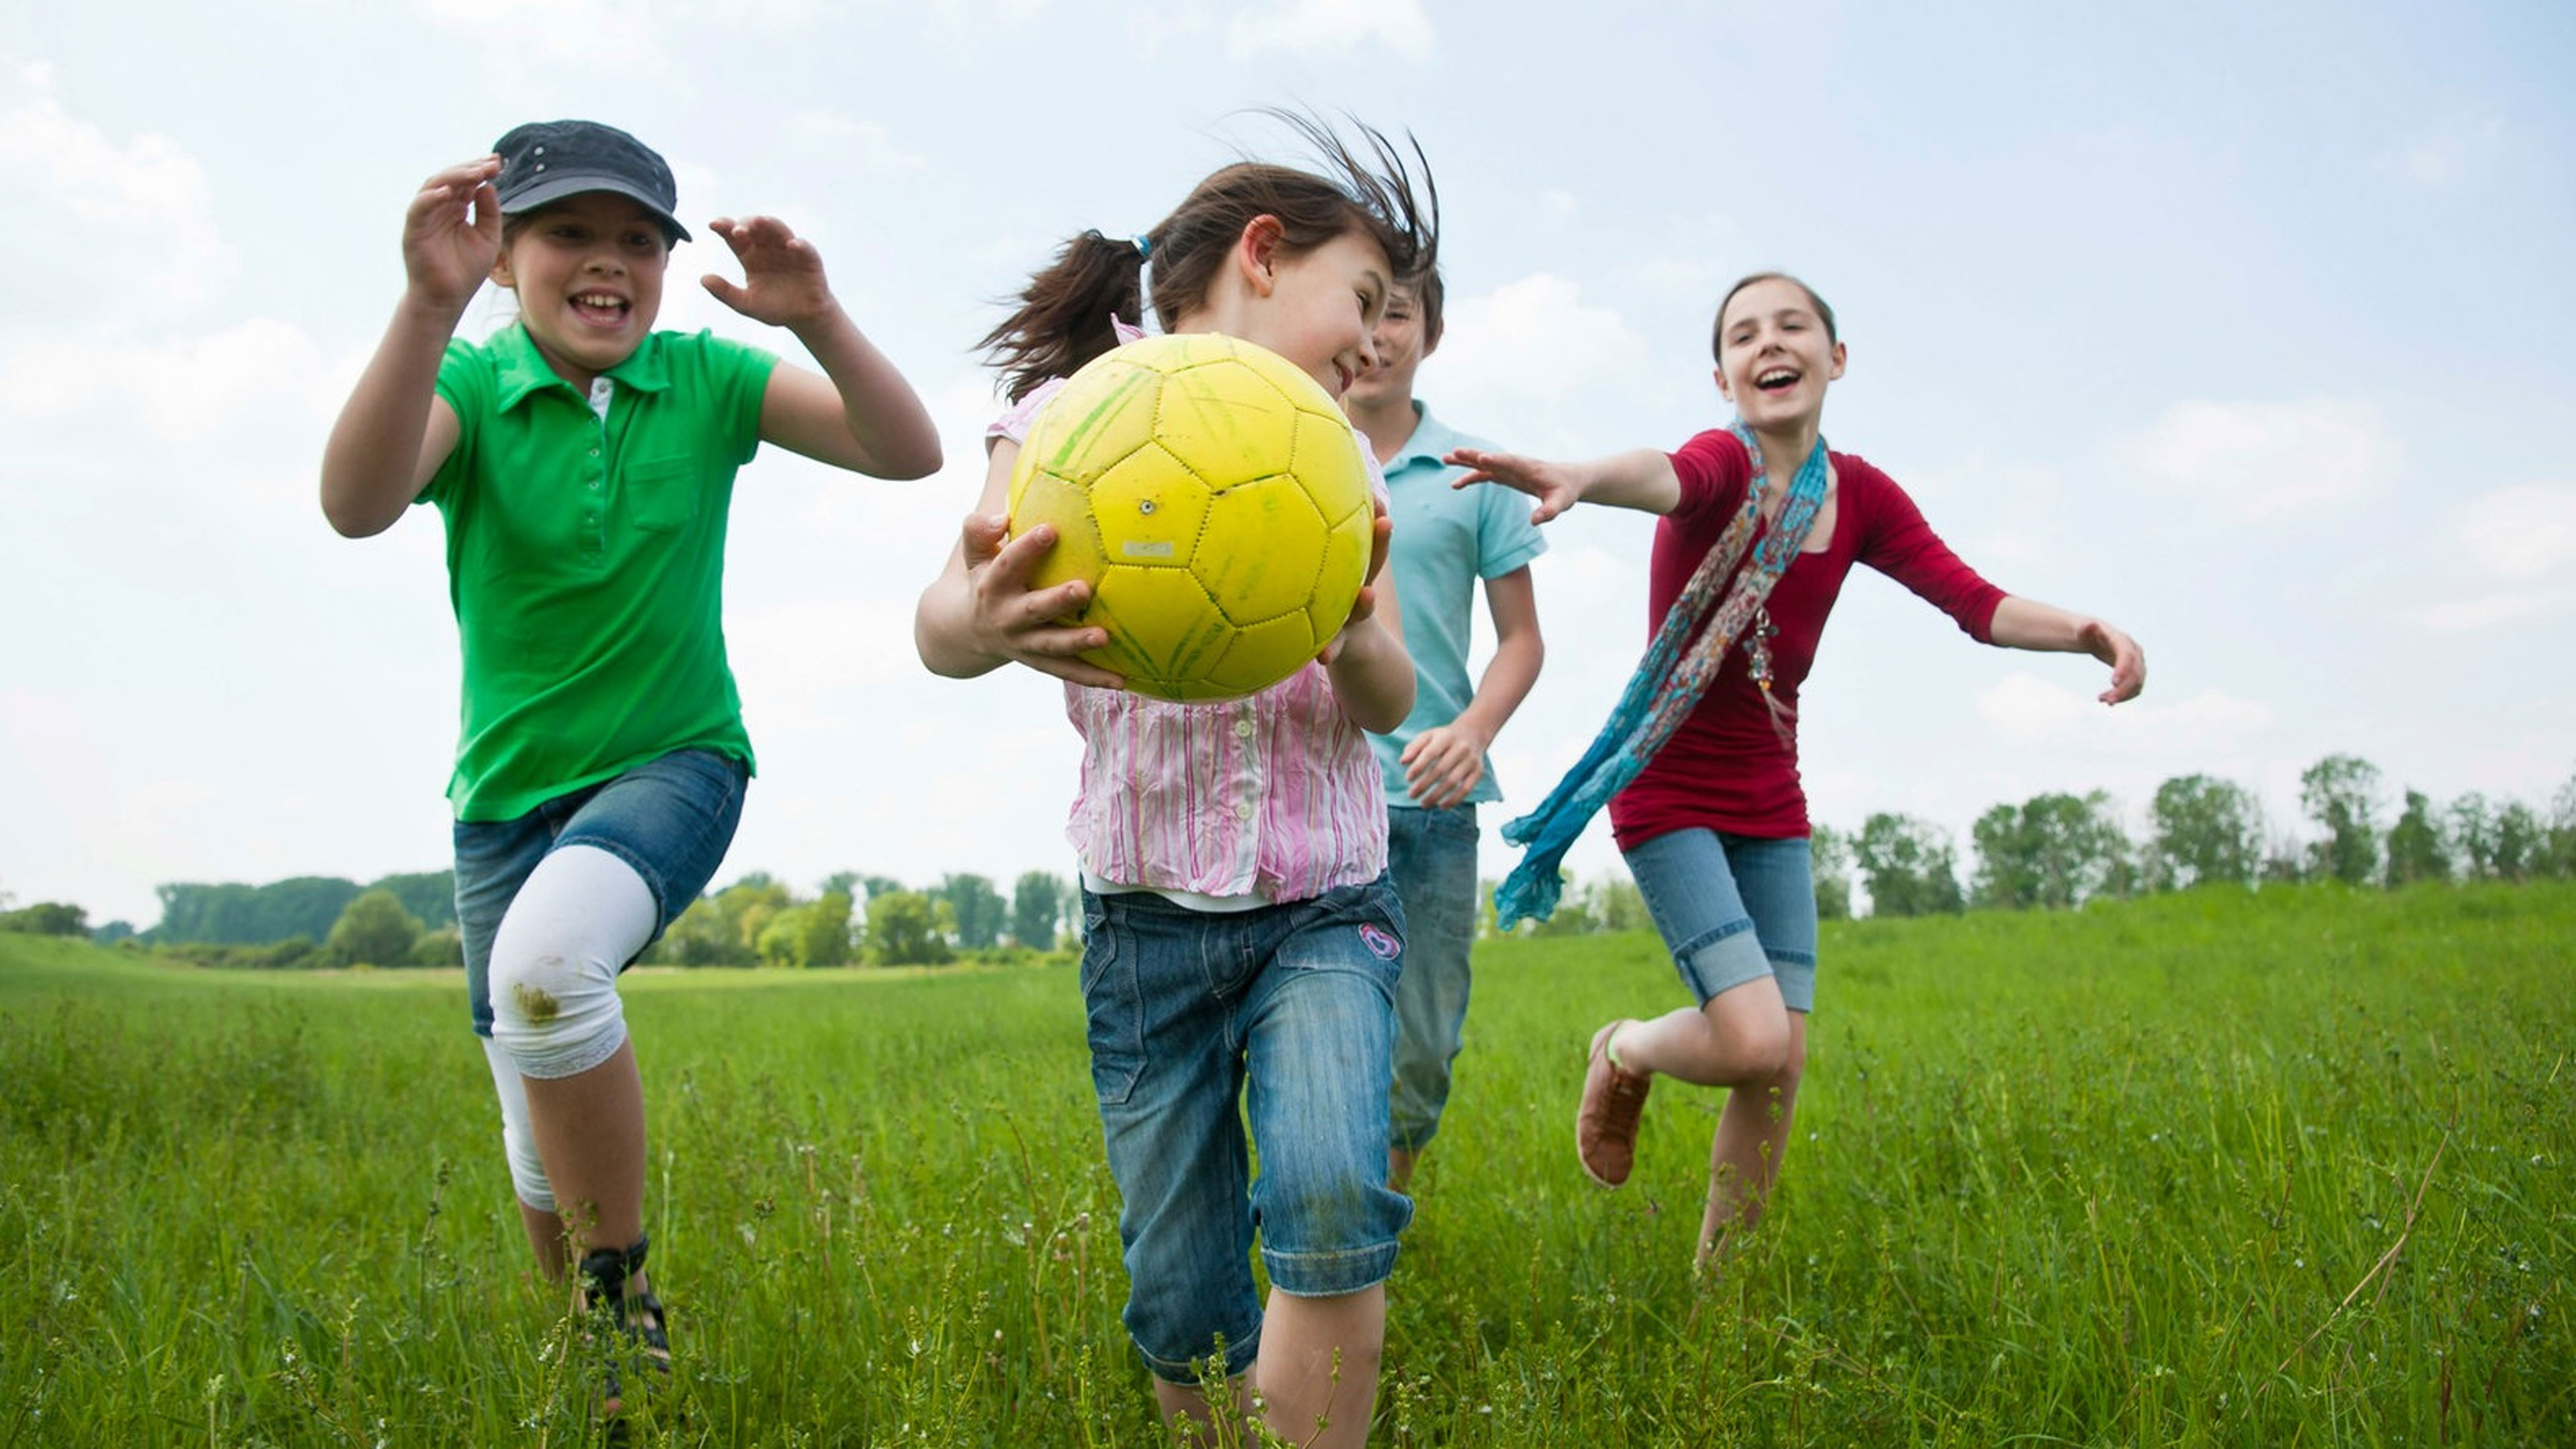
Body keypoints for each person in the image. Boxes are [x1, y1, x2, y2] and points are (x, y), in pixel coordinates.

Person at [319, 119, 941, 1411]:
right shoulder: (475, 386)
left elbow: (905, 450)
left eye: (635, 242)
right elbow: (359, 501)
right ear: (501, 254)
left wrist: (815, 316)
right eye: (567, 235)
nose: (606, 265)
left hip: (676, 765)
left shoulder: (706, 377)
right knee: (532, 1131)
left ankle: (619, 1293)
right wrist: (424, 310)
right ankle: (604, 1379)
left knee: (548, 975)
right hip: (501, 806)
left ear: (665, 264)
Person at [914, 115, 1434, 1449]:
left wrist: (1358, 637)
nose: (1374, 341)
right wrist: (985, 621)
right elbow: (940, 625)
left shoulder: (1342, 457)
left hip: (1327, 899)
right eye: (1361, 300)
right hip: (1145, 926)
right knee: (1183, 1296)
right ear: (1263, 256)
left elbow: (1392, 699)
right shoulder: (1064, 419)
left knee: (1328, 1193)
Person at [1451, 272, 2145, 1265]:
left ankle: (1719, 1296)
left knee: (1781, 1062)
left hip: (1771, 797)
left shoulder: (1859, 495)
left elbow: (1974, 603)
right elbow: (1664, 475)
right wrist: (1575, 476)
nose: (1769, 344)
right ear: (1724, 375)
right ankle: (1625, 1048)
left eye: (1792, 326)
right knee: (1750, 1038)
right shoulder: (1720, 466)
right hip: (1670, 789)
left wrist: (2084, 630)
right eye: (1744, 335)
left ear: (1836, 357)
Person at [1340, 269, 1546, 1193]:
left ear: (1433, 330)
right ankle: (1309, 1240)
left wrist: (1472, 730)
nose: (1377, 336)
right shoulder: (1282, 448)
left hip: (1428, 799)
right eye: (1362, 311)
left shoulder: (1477, 472)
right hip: (1314, 791)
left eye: (1398, 314)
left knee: (1419, 1046)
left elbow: (1522, 642)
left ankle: (1371, 1241)